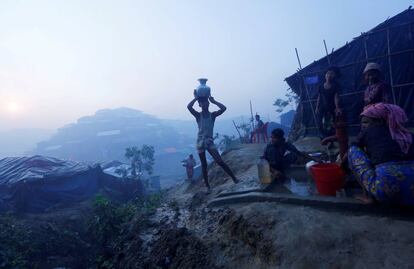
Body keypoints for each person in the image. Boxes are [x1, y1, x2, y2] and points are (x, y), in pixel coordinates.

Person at [348, 103, 414, 205]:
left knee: (353, 150)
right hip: (411, 191)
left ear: (379, 121)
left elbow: (353, 146)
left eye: (366, 122)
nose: (363, 126)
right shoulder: (408, 135)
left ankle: (369, 196)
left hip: (386, 191)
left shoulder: (369, 131)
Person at [187, 96, 239, 192]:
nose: (205, 104)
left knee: (219, 161)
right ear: (200, 105)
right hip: (200, 142)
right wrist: (195, 98)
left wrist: (214, 101)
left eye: (206, 102)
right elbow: (189, 107)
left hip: (209, 141)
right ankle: (207, 187)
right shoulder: (198, 115)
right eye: (202, 103)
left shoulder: (213, 115)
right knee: (204, 165)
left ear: (208, 104)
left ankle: (234, 179)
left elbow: (224, 108)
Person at [315, 66, 343, 139]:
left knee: (333, 123)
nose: (329, 75)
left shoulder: (335, 86)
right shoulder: (321, 86)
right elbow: (319, 97)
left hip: (332, 106)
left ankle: (331, 138)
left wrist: (337, 107)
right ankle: (324, 137)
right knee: (320, 123)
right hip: (322, 107)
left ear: (334, 76)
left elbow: (336, 97)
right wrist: (317, 107)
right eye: (327, 73)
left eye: (331, 74)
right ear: (325, 75)